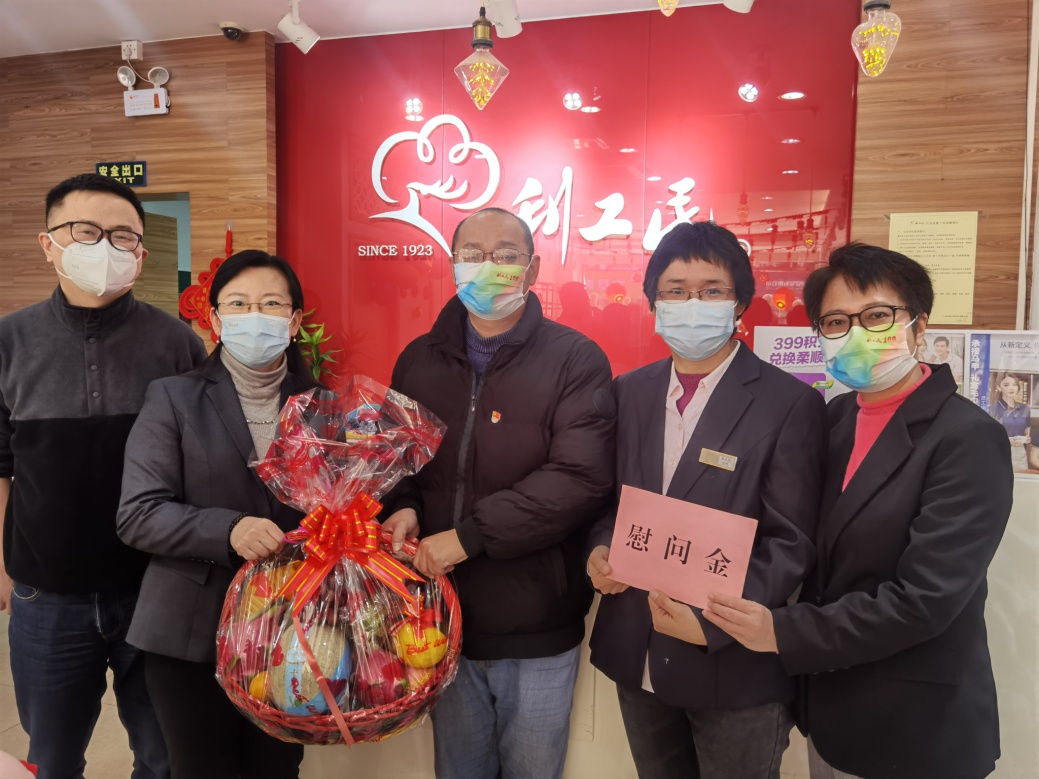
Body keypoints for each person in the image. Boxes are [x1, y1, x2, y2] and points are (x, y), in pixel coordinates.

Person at [702, 243, 1013, 779]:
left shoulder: (966, 437)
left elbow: (924, 600)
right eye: (836, 322)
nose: (856, 333)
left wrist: (781, 632)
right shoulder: (836, 417)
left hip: (915, 725)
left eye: (876, 316)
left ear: (919, 325)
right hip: (831, 709)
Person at [379, 207, 615, 779]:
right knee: (459, 769)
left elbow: (579, 477)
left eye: (506, 256)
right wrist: (404, 506)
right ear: (453, 265)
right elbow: (397, 458)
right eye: (473, 255)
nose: (489, 267)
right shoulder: (417, 359)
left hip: (535, 622)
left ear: (533, 268)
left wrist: (468, 537)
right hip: (437, 619)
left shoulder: (575, 358)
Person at [586, 221, 827, 779]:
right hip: (637, 647)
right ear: (653, 302)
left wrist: (713, 624)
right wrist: (599, 550)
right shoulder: (630, 392)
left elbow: (790, 543)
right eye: (675, 291)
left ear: (739, 303)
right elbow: (607, 501)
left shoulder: (789, 404)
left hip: (732, 663)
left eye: (711, 290)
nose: (692, 305)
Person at [0, 173, 206, 779]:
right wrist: (2, 570)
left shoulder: (177, 344)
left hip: (156, 588)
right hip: (46, 594)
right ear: (48, 243)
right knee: (52, 757)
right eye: (86, 232)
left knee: (164, 756)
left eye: (123, 236)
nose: (106, 248)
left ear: (140, 253)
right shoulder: (8, 342)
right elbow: (1, 466)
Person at [117, 251, 320, 779]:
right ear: (214, 318)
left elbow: (354, 496)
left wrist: (393, 511)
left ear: (294, 321)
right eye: (239, 304)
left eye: (271, 304)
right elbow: (139, 513)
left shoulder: (323, 407)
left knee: (277, 769)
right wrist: (229, 529)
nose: (255, 316)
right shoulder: (173, 397)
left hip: (288, 631)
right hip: (191, 630)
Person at [989, 372, 1030, 470]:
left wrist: (1027, 439)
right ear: (999, 387)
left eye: (1014, 384)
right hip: (1000, 452)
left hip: (1019, 454)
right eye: (1006, 385)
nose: (1011, 388)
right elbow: (989, 435)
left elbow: (1027, 434)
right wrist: (1008, 440)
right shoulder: (993, 409)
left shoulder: (1025, 409)